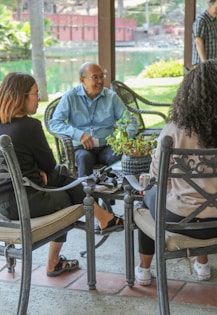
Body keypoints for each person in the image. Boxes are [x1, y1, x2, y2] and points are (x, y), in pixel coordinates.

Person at [134, 60, 217, 285]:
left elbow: (157, 178)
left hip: (184, 222)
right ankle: (202, 265)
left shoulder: (174, 133)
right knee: (204, 196)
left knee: (146, 199)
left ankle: (143, 269)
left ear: (189, 93)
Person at [0, 72, 124, 277]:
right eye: (35, 93)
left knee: (63, 178)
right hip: (22, 203)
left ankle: (103, 217)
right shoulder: (30, 127)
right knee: (70, 194)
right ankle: (54, 261)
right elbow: (49, 165)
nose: (38, 98)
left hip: (3, 204)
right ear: (21, 97)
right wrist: (41, 175)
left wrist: (38, 175)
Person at [49, 62, 138, 178]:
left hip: (106, 146)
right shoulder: (70, 97)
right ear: (82, 80)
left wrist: (124, 138)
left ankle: (112, 192)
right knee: (84, 158)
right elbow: (54, 124)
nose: (100, 81)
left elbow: (131, 120)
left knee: (118, 157)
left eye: (101, 76)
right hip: (81, 148)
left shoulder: (111, 97)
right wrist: (78, 134)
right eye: (95, 77)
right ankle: (85, 194)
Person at [192, 0, 217, 65]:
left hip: (214, 63)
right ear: (209, 6)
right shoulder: (202, 21)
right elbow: (198, 42)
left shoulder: (214, 20)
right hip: (202, 65)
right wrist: (205, 63)